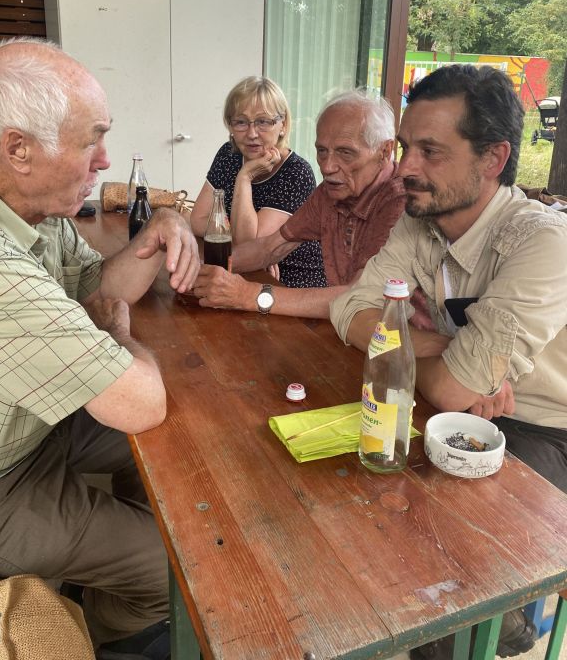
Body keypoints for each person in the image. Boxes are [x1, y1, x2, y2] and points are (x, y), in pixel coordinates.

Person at [0, 37, 200, 660]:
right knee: (175, 566)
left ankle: (98, 582)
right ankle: (97, 633)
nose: (104, 159)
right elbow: (138, 401)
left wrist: (161, 228)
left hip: (32, 430)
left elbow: (100, 289)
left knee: (187, 448)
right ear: (18, 149)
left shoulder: (28, 210)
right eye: (90, 140)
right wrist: (117, 338)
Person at [330, 64, 567, 659]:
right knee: (361, 494)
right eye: (406, 147)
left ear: (493, 158)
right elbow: (348, 308)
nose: (405, 168)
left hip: (544, 430)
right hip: (456, 407)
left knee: (434, 566)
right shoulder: (422, 223)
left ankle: (492, 620)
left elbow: (456, 390)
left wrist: (416, 356)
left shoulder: (543, 241)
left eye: (430, 152)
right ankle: (492, 615)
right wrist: (437, 352)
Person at [193, 90, 407, 317]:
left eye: (345, 153)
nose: (327, 167)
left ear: (385, 152)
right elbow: (270, 248)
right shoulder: (330, 192)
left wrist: (247, 294)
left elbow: (359, 295)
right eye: (322, 151)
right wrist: (197, 269)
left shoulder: (400, 202)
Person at [190, 75, 327, 287]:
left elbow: (249, 244)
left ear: (283, 125)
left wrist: (244, 177)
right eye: (241, 122)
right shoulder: (228, 154)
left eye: (263, 122)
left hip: (290, 282)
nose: (252, 133)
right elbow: (198, 219)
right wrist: (250, 248)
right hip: (239, 270)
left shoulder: (297, 172)